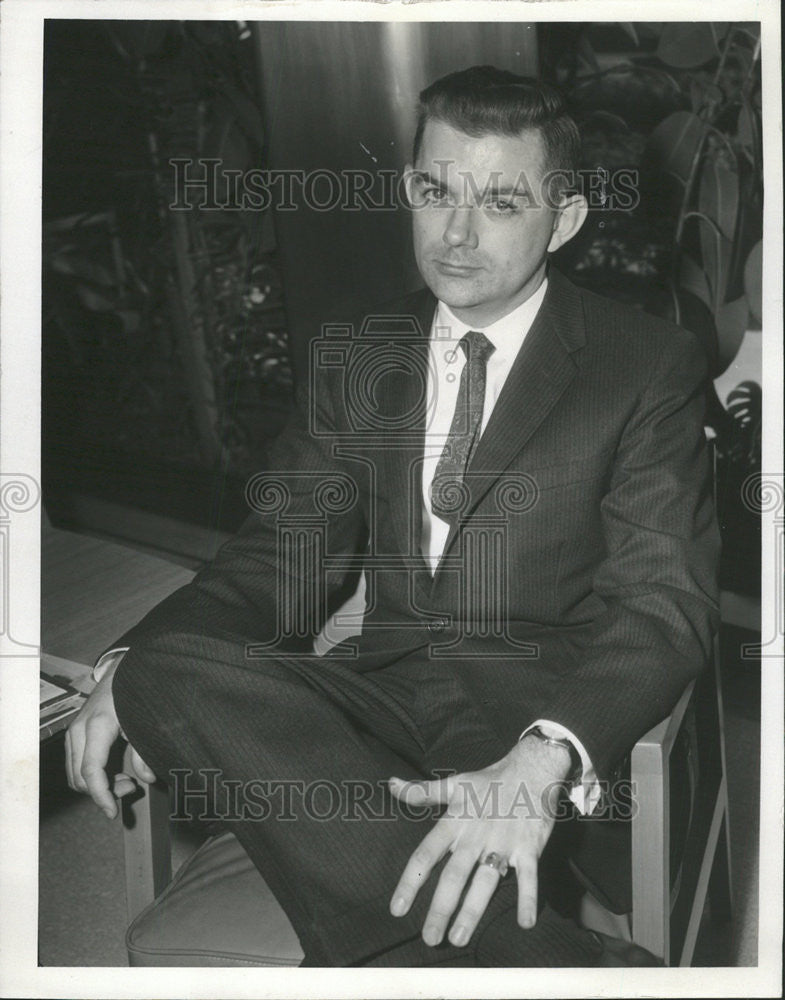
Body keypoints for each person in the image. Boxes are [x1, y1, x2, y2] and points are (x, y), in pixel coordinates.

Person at [65, 66, 719, 967]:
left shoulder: (643, 365)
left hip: (527, 715)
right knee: (155, 664)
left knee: (189, 701)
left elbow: (662, 603)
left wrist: (539, 762)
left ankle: (387, 939)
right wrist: (124, 671)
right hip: (370, 717)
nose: (454, 233)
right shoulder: (359, 353)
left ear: (562, 219)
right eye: (433, 191)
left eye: (498, 200)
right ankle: (540, 959)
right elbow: (275, 562)